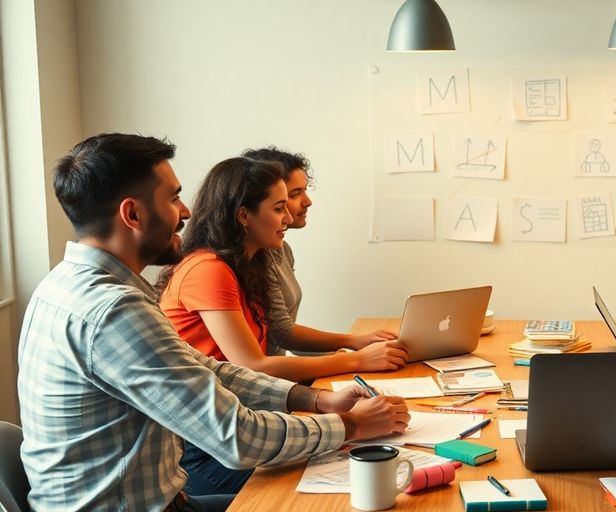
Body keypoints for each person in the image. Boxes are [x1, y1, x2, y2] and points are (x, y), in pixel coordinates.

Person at [18, 133, 410, 512]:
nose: (186, 211)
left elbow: (208, 369)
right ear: (133, 214)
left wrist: (316, 399)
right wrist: (350, 425)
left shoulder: (65, 284)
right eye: (173, 198)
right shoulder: (113, 310)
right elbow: (237, 438)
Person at [156, 157, 408, 495]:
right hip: (204, 451)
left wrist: (320, 400)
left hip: (241, 423)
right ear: (243, 215)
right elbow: (252, 366)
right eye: (278, 208)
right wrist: (355, 359)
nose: (289, 217)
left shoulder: (248, 264)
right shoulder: (207, 269)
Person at [239, 147, 396, 357]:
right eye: (294, 194)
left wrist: (346, 353)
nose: (308, 201)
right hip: (269, 380)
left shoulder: (281, 250)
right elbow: (281, 333)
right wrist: (353, 350)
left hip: (278, 374)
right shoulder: (242, 261)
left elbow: (286, 338)